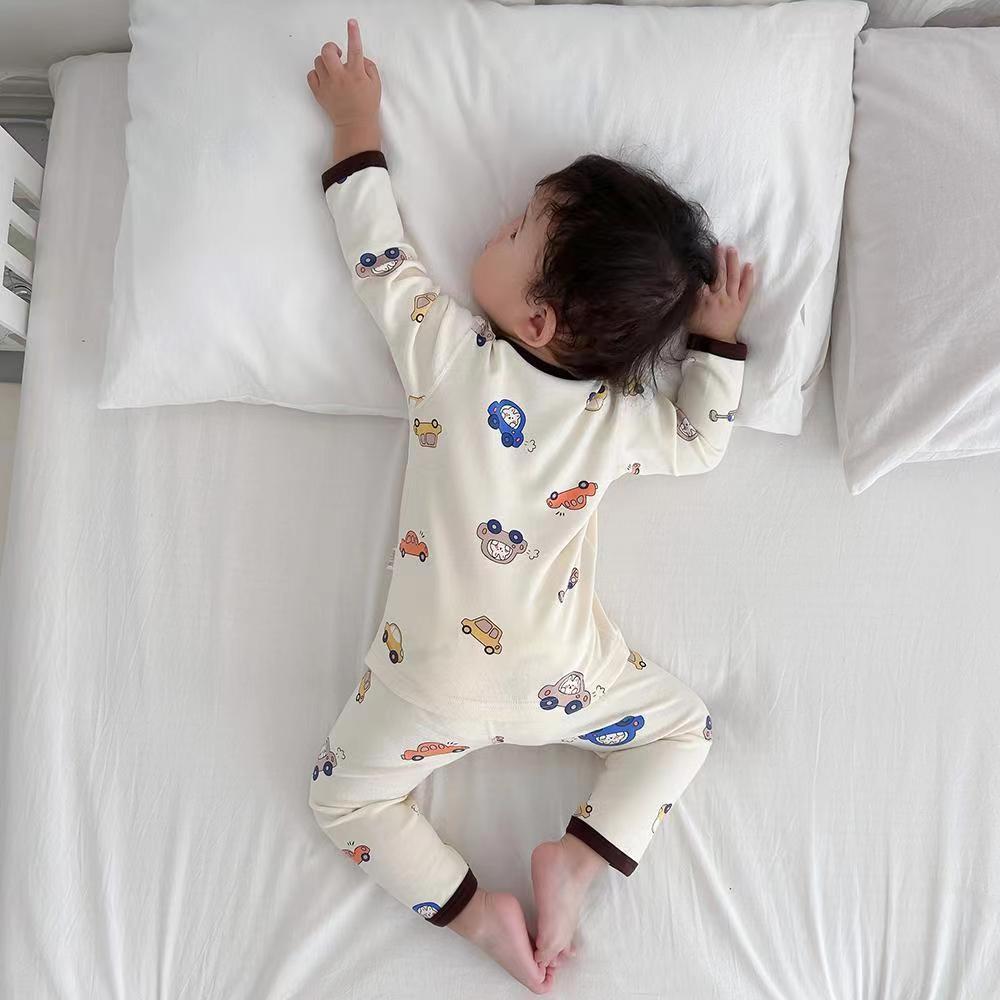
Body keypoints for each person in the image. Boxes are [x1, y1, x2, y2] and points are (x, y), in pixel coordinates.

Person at [306, 20, 753, 994]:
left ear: (538, 319)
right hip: (563, 680)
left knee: (345, 803)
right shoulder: (618, 417)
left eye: (514, 231)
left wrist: (355, 128)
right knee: (684, 733)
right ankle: (577, 864)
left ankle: (476, 913)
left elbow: (377, 256)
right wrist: (716, 346)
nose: (496, 227)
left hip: (426, 684)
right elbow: (699, 442)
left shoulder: (449, 357)